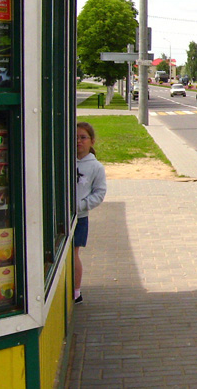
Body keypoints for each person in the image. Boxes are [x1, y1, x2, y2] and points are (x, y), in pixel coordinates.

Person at [75, 121, 107, 304]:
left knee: (74, 253)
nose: (79, 141)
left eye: (83, 137)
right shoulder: (63, 159)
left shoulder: (95, 167)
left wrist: (80, 206)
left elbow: (99, 193)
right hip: (60, 216)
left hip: (79, 217)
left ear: (91, 141)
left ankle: (76, 292)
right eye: (76, 138)